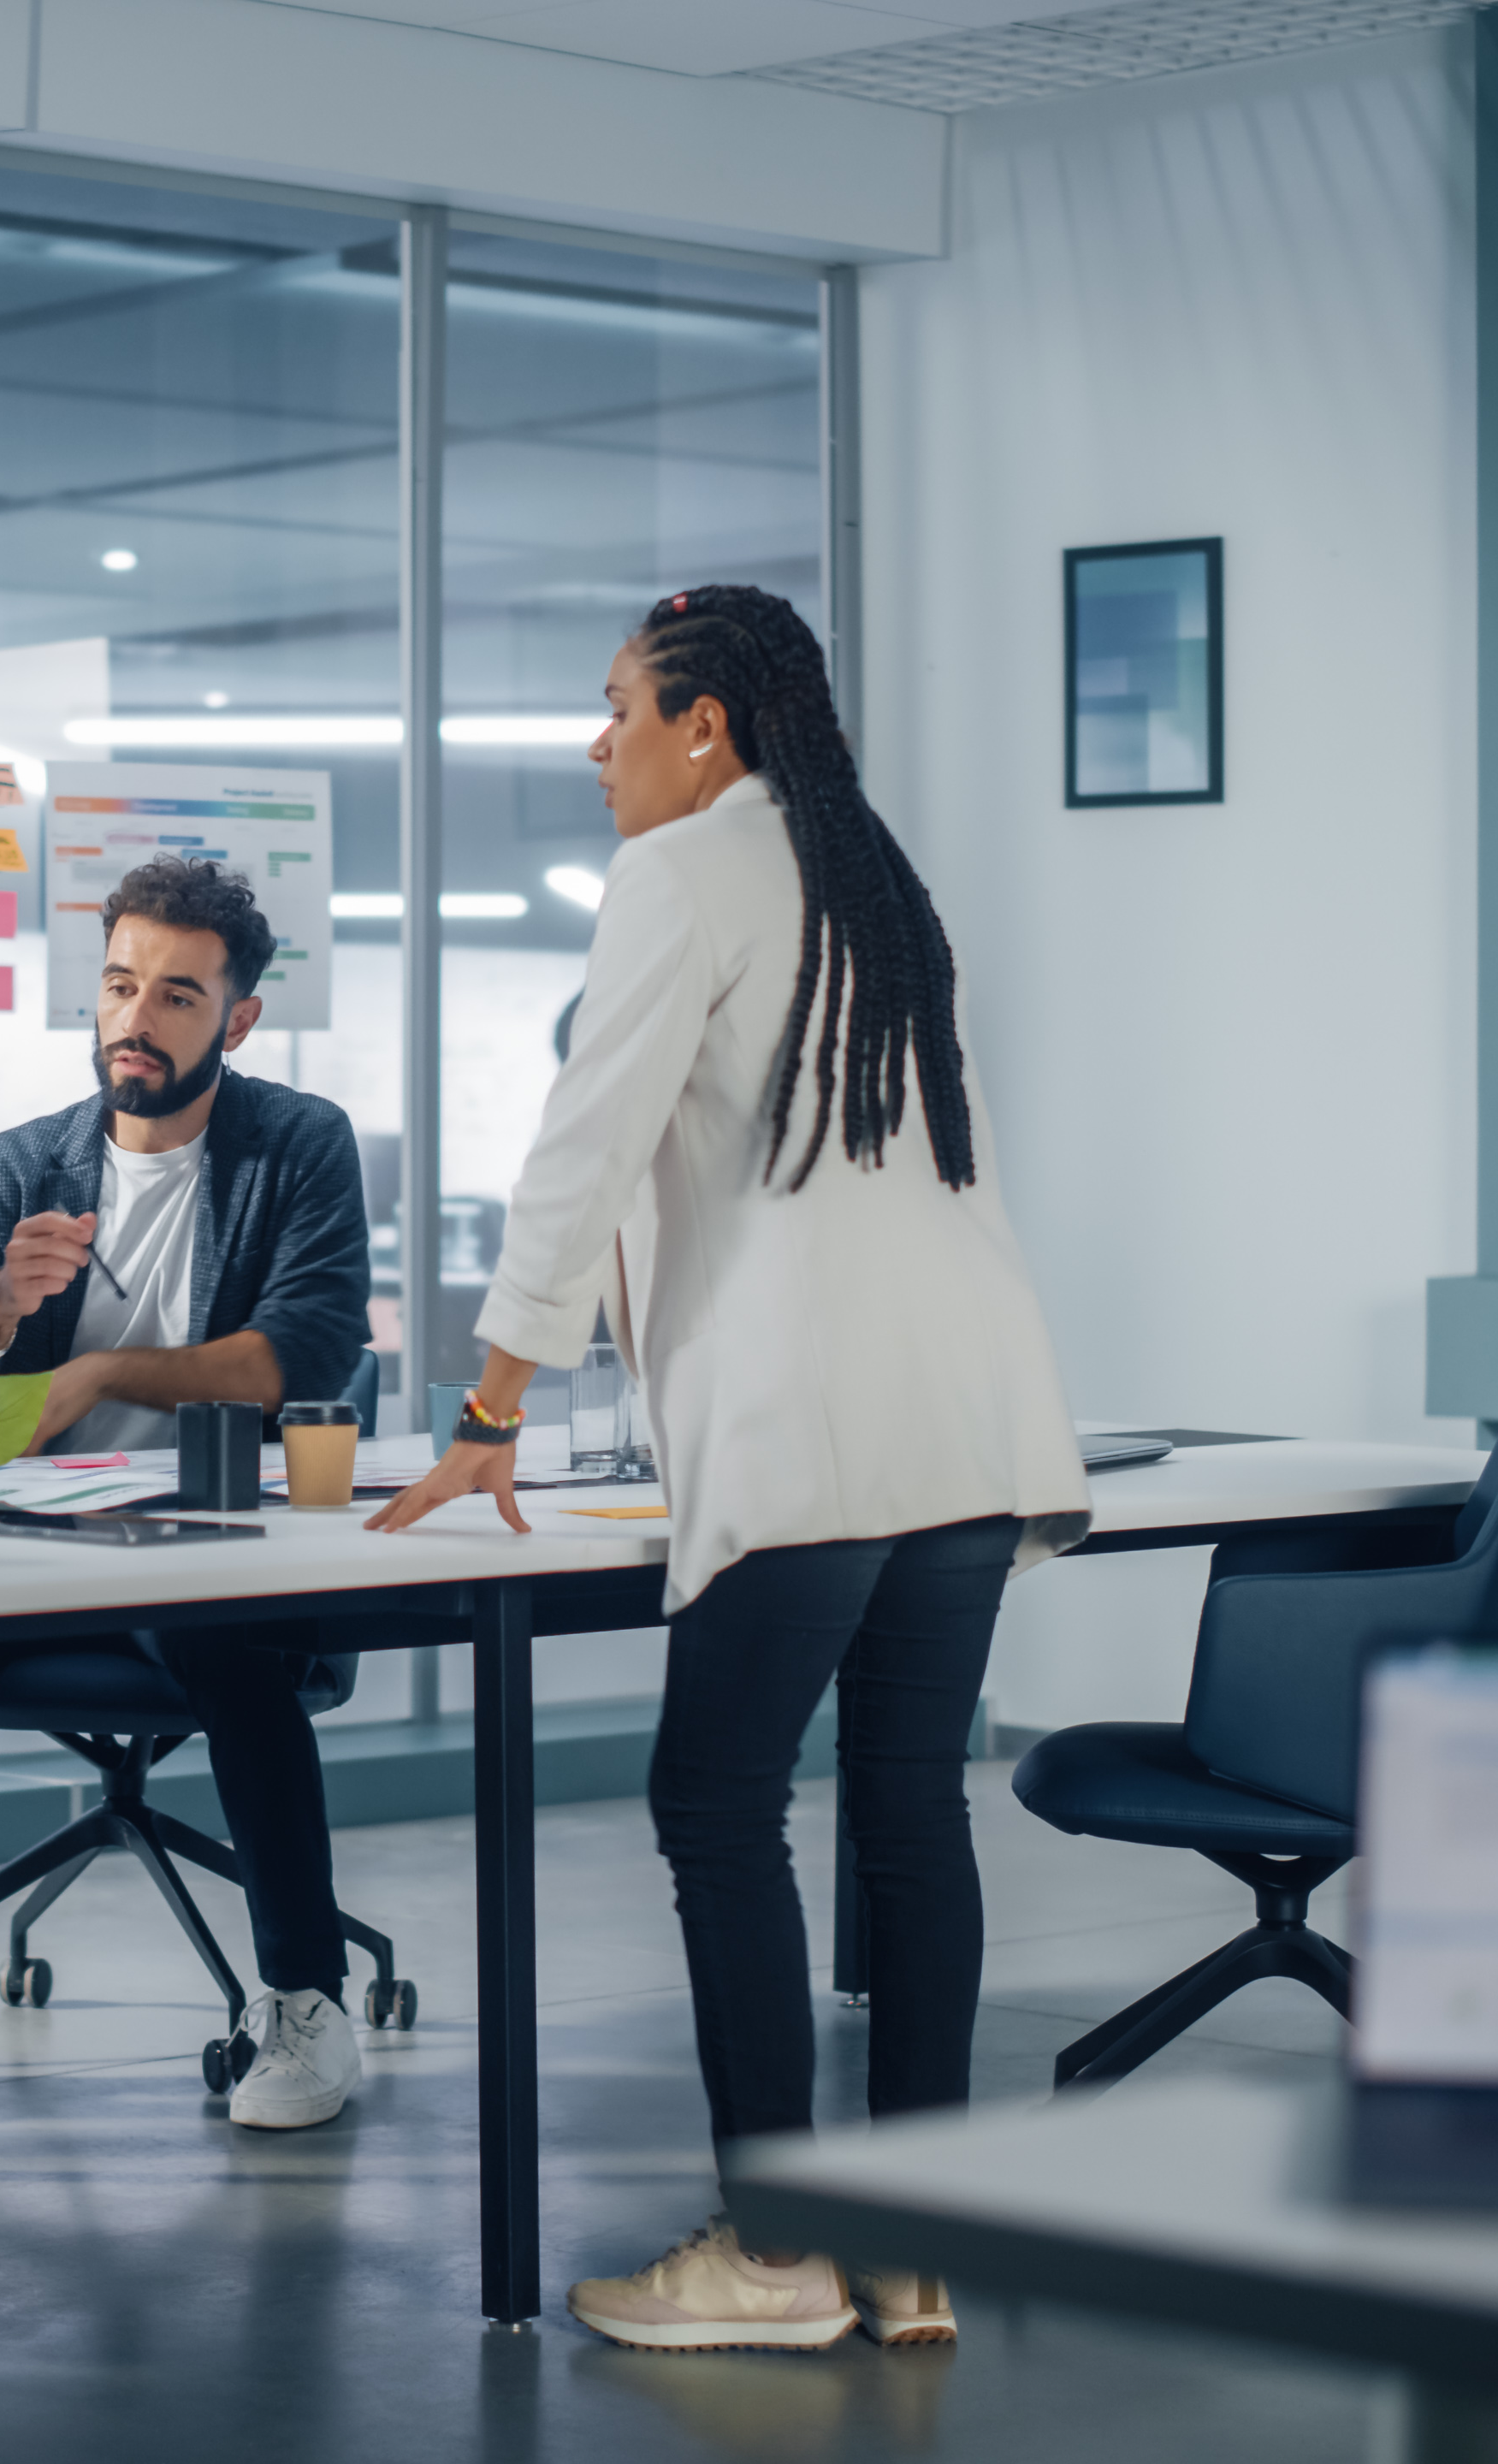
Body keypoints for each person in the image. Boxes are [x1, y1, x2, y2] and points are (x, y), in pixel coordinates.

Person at [371, 584, 1090, 2354]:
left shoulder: (683, 875)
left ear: (708, 726)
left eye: (617, 705)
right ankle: (908, 2248)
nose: (593, 740)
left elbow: (582, 1148)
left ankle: (773, 2255)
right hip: (972, 1416)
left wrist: (490, 1413)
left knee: (717, 1808)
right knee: (910, 1811)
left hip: (813, 1425)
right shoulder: (876, 880)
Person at [0, 855, 380, 2128]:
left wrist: (102, 1370)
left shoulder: (297, 1148)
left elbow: (302, 1355)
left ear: (238, 1019)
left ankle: (305, 2005)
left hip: (204, 1545)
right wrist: (0, 1309)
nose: (134, 1020)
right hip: (31, 1559)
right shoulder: (18, 1168)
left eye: (176, 996)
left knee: (228, 1633)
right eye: (119, 986)